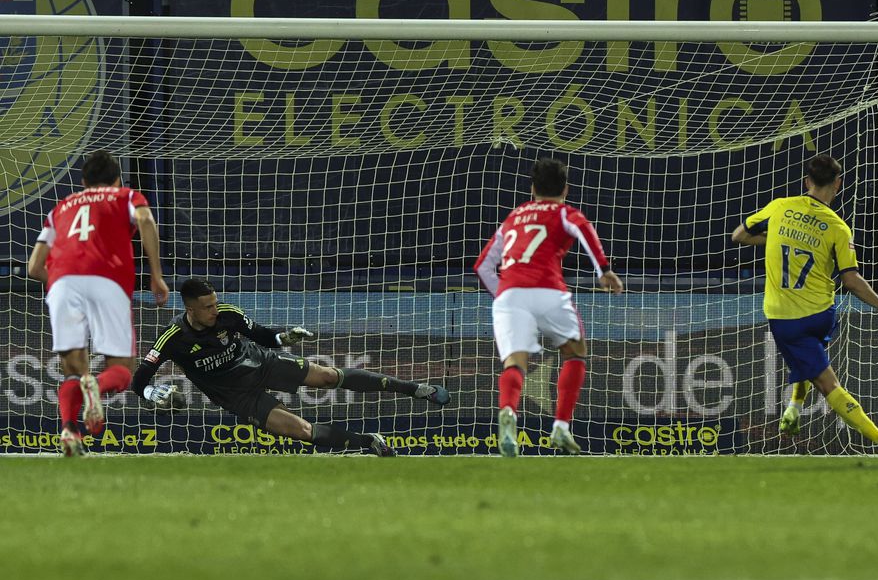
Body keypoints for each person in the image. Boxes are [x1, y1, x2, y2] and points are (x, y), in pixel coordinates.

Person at [131, 278, 451, 457]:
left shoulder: (227, 313)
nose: (215, 310)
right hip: (237, 396)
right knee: (301, 431)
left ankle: (417, 390)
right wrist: (148, 393)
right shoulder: (172, 337)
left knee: (328, 376)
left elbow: (263, 336)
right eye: (207, 307)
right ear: (190, 309)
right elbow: (140, 378)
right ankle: (369, 442)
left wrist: (285, 337)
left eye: (215, 303)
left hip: (260, 364)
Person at [732, 154, 878, 457]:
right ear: (838, 184)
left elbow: (739, 235)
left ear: (807, 182)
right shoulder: (838, 227)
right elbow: (851, 280)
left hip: (786, 318)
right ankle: (794, 407)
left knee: (829, 386)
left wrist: (777, 237)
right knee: (810, 359)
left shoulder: (780, 206)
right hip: (823, 314)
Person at [473, 157, 623, 457]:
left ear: (532, 188)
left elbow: (482, 266)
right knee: (575, 351)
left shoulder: (514, 216)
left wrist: (503, 296)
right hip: (548, 289)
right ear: (565, 189)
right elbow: (585, 231)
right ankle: (561, 426)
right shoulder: (564, 212)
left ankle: (508, 413)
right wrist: (603, 270)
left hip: (510, 294)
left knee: (515, 363)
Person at [26, 150, 170, 457]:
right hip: (107, 279)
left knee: (72, 371)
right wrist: (156, 275)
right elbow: (145, 219)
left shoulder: (61, 207)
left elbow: (34, 268)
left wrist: (64, 281)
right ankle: (96, 387)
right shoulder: (127, 195)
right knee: (122, 370)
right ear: (117, 179)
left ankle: (69, 430)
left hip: (62, 282)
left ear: (82, 181)